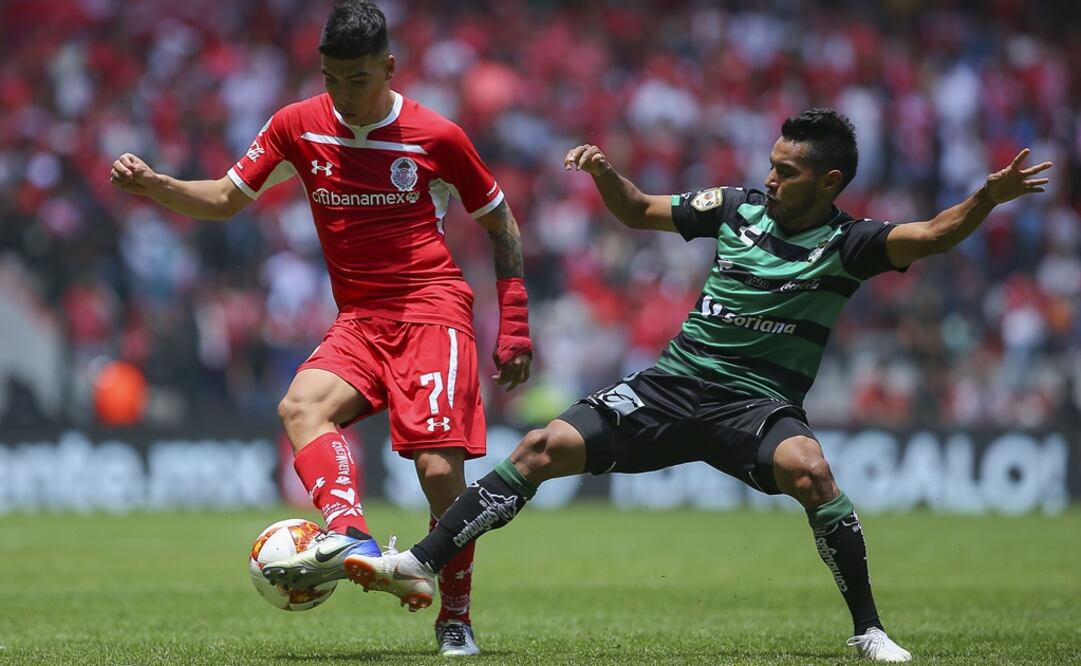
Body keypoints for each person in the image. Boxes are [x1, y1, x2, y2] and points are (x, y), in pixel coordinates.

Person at [339, 109, 1053, 662]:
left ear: (829, 183)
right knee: (538, 446)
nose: (770, 180)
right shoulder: (734, 208)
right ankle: (417, 564)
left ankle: (867, 632)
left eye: (788, 173)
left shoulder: (850, 243)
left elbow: (929, 236)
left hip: (753, 406)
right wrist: (603, 174)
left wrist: (986, 198)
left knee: (812, 472)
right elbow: (637, 210)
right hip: (671, 386)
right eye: (771, 166)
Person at [110, 0, 532, 657]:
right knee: (300, 406)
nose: (343, 94)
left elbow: (500, 221)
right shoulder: (297, 127)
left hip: (432, 309)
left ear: (389, 68)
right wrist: (157, 186)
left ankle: (454, 615)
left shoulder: (436, 136)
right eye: (331, 78)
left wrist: (514, 324)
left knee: (438, 469)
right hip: (360, 318)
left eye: (358, 79)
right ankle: (352, 540)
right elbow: (225, 197)